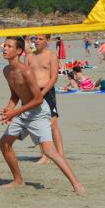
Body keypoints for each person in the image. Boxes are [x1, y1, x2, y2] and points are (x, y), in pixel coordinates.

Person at [0, 36, 84, 194]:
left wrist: (14, 112)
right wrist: (8, 110)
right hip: (24, 111)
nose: (4, 48)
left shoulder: (27, 71)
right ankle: (18, 180)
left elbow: (38, 99)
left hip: (38, 112)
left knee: (49, 151)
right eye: (5, 45)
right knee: (4, 143)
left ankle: (77, 184)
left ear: (18, 51)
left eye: (9, 46)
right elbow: (15, 95)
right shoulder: (6, 71)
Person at [26, 34, 64, 165]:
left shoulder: (51, 55)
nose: (36, 41)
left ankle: (60, 155)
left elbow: (54, 77)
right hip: (32, 92)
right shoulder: (29, 56)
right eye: (35, 39)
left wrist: (42, 93)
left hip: (47, 92)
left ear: (47, 41)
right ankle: (44, 155)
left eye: (40, 39)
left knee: (52, 124)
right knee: (38, 124)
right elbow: (25, 74)